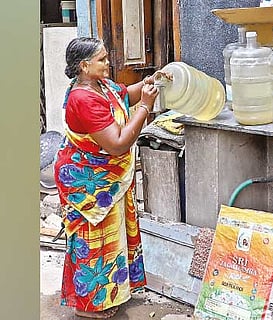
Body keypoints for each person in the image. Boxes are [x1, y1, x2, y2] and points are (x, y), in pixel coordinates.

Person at [53, 37, 170, 319]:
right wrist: (145, 107)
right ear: (84, 65)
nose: (109, 63)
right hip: (89, 185)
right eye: (102, 60)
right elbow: (117, 144)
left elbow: (123, 95)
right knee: (93, 246)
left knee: (110, 241)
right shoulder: (83, 98)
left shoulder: (100, 86)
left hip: (105, 182)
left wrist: (151, 80)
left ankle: (108, 297)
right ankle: (89, 307)